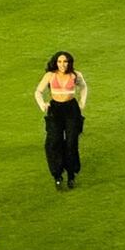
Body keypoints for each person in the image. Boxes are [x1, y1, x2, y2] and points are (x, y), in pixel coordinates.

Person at [34, 51, 88, 190]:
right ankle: (57, 174)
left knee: (71, 142)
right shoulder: (50, 75)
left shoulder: (75, 75)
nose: (62, 65)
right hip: (55, 110)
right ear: (55, 62)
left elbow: (83, 87)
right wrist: (43, 105)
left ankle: (71, 174)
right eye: (59, 62)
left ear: (69, 62)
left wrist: (82, 102)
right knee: (53, 142)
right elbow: (38, 91)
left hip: (71, 109)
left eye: (65, 62)